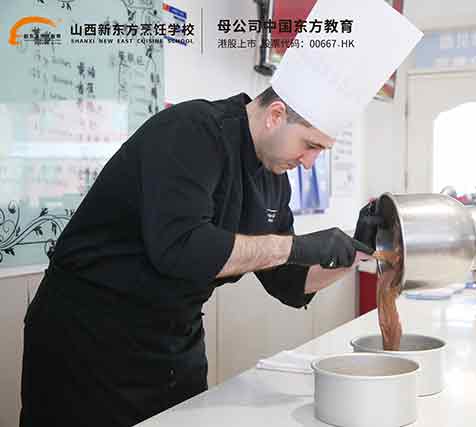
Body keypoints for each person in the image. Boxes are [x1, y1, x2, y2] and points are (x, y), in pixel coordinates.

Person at [20, 86, 380, 427]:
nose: (309, 163)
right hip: (90, 337)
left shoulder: (273, 179)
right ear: (275, 115)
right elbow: (181, 248)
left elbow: (290, 281)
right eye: (310, 145)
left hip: (174, 340)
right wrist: (296, 247)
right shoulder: (192, 131)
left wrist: (356, 252)